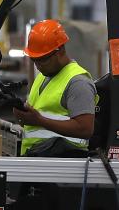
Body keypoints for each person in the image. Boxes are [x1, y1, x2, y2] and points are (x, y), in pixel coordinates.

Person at [12, 19, 97, 157]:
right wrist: (24, 118)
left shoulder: (78, 82)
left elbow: (85, 129)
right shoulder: (42, 77)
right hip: (38, 160)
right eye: (34, 60)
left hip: (62, 165)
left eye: (43, 59)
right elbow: (38, 126)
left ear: (60, 51)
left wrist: (39, 120)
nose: (38, 66)